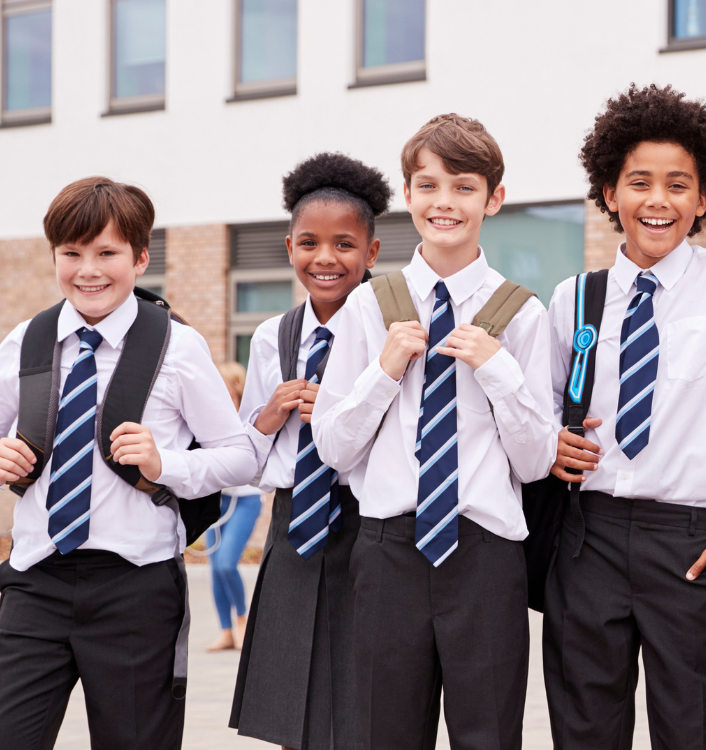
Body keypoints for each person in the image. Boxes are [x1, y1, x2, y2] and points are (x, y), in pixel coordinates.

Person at [0, 177, 258, 749]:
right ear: (54, 258)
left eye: (106, 253)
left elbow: (239, 456)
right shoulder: (29, 339)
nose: (88, 270)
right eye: (71, 253)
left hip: (136, 590)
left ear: (140, 258)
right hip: (34, 583)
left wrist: (164, 462)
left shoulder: (177, 346)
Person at [542, 83, 706, 750]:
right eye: (639, 182)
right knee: (585, 732)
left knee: (693, 732)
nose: (658, 200)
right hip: (587, 537)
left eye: (679, 185)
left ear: (702, 199)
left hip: (692, 543)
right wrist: (549, 444)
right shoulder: (574, 298)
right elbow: (534, 417)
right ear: (610, 192)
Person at [312, 114, 559, 750]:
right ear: (408, 195)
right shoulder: (369, 307)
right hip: (389, 551)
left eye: (463, 186)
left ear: (493, 199)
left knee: (490, 734)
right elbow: (334, 447)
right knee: (385, 734)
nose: (443, 202)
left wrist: (498, 369)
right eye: (428, 185)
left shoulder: (523, 314)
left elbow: (535, 464)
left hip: (486, 555)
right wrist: (386, 369)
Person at [230, 152, 390, 749]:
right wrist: (271, 411)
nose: (326, 259)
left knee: (363, 702)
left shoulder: (393, 324)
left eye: (344, 244)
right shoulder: (274, 334)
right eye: (309, 243)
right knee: (288, 697)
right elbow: (247, 444)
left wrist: (348, 404)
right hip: (297, 521)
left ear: (371, 253)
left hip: (370, 523)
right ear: (289, 246)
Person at [206, 360, 264, 652]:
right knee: (215, 568)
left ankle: (243, 620)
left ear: (237, 388)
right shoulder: (208, 418)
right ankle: (226, 631)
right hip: (217, 500)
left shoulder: (248, 420)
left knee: (228, 562)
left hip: (245, 499)